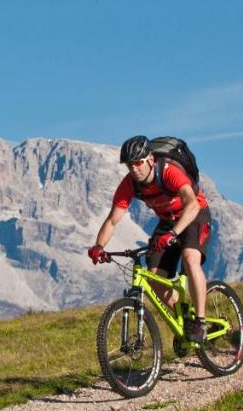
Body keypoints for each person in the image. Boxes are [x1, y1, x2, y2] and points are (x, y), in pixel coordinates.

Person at [87, 135, 213, 342]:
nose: (134, 169)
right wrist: (99, 245)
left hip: (194, 215)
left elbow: (192, 204)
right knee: (154, 277)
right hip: (167, 222)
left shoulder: (169, 172)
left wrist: (173, 234)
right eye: (129, 165)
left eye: (138, 163)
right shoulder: (129, 184)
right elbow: (112, 221)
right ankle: (184, 315)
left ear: (150, 160)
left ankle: (200, 322)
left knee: (190, 258)